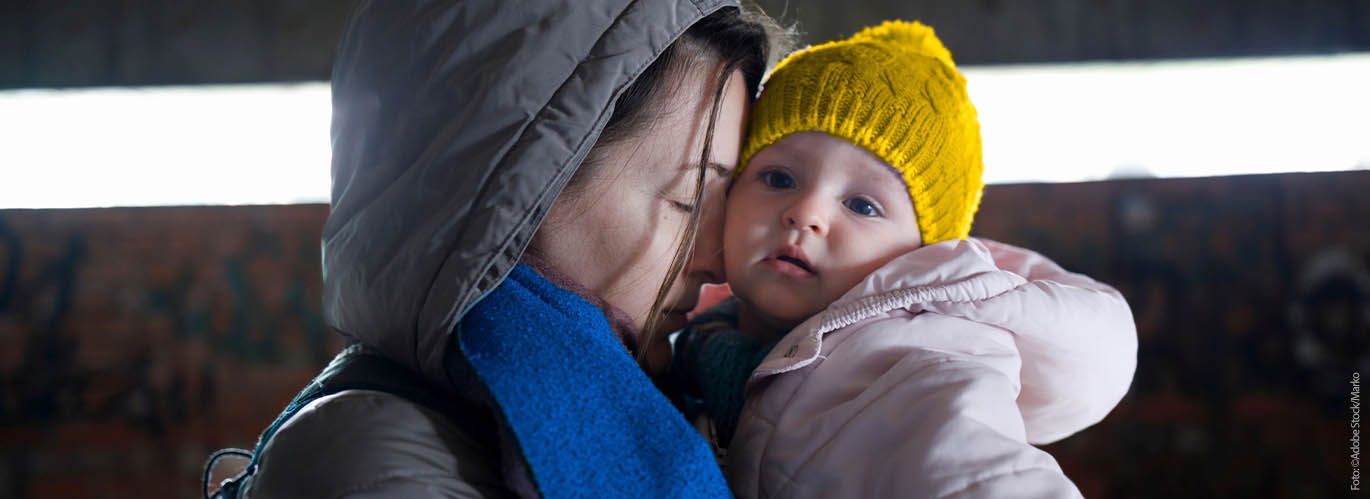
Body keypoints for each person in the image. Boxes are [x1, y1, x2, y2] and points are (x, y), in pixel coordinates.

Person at [217, 0, 789, 497]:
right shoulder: (371, 465)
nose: (720, 259)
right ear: (526, 186)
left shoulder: (662, 408)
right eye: (689, 200)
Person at [668, 21, 1138, 498]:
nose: (806, 213)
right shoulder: (692, 353)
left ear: (922, 257)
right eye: (778, 179)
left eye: (862, 205)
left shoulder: (917, 376)